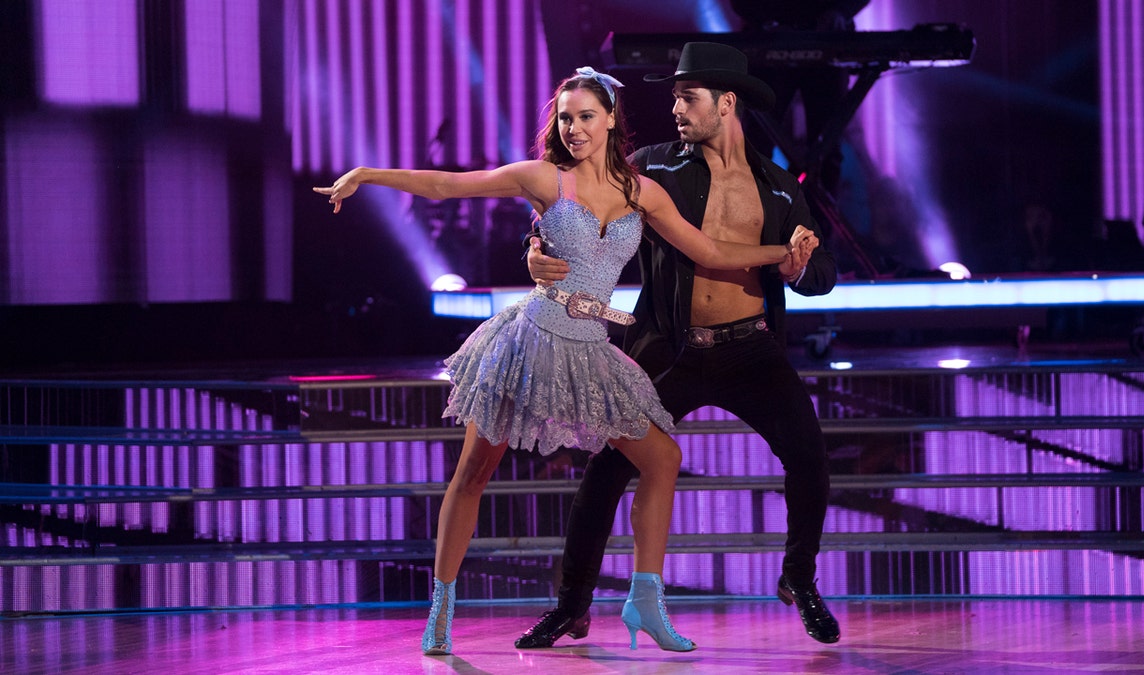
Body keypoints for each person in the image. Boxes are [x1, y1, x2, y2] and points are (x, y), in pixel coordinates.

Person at [313, 67, 810, 656]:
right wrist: (367, 175)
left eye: (586, 117)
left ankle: (644, 601)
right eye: (566, 118)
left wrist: (786, 251)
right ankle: (441, 606)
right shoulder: (543, 178)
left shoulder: (641, 191)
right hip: (528, 341)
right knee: (473, 472)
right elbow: (446, 185)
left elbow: (707, 249)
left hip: (590, 350)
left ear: (610, 122)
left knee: (663, 458)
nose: (573, 128)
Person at [515, 41, 842, 649]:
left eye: (687, 98)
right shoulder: (654, 167)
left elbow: (823, 273)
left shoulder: (776, 187)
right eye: (674, 99)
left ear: (726, 103)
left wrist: (798, 268)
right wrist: (537, 249)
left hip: (752, 351)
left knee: (810, 459)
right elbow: (570, 201)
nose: (676, 109)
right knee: (606, 471)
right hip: (669, 346)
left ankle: (799, 578)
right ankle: (572, 607)